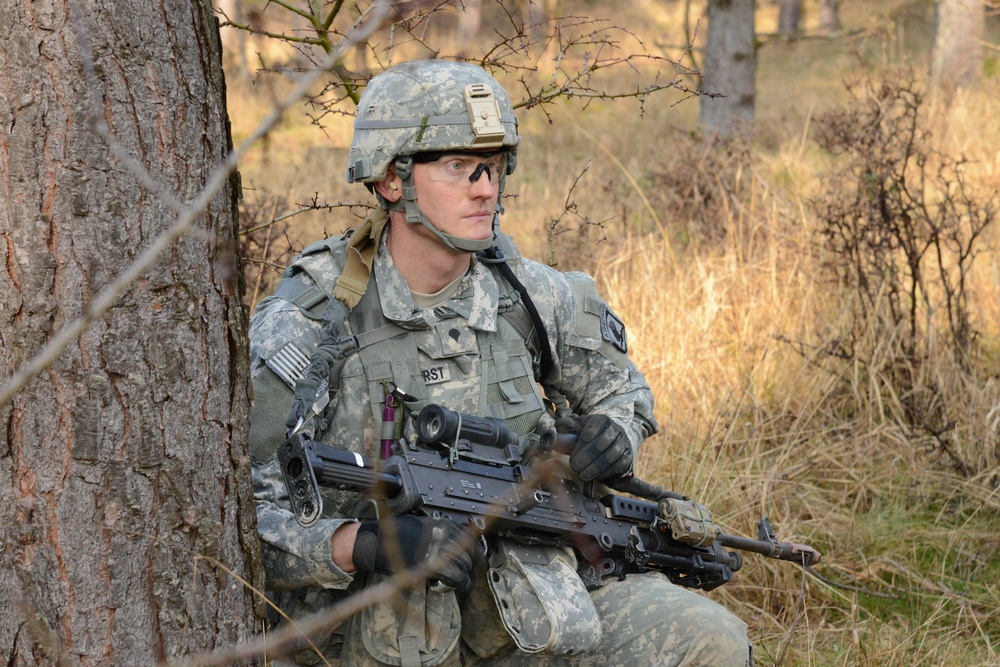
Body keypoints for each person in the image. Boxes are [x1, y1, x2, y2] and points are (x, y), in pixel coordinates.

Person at [248, 59, 752, 666]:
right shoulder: (314, 320)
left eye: (492, 167)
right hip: (373, 635)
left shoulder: (532, 296)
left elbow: (623, 390)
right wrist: (356, 544)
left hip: (531, 607)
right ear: (390, 180)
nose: (484, 187)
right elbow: (241, 513)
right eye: (457, 167)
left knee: (709, 640)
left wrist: (616, 432)